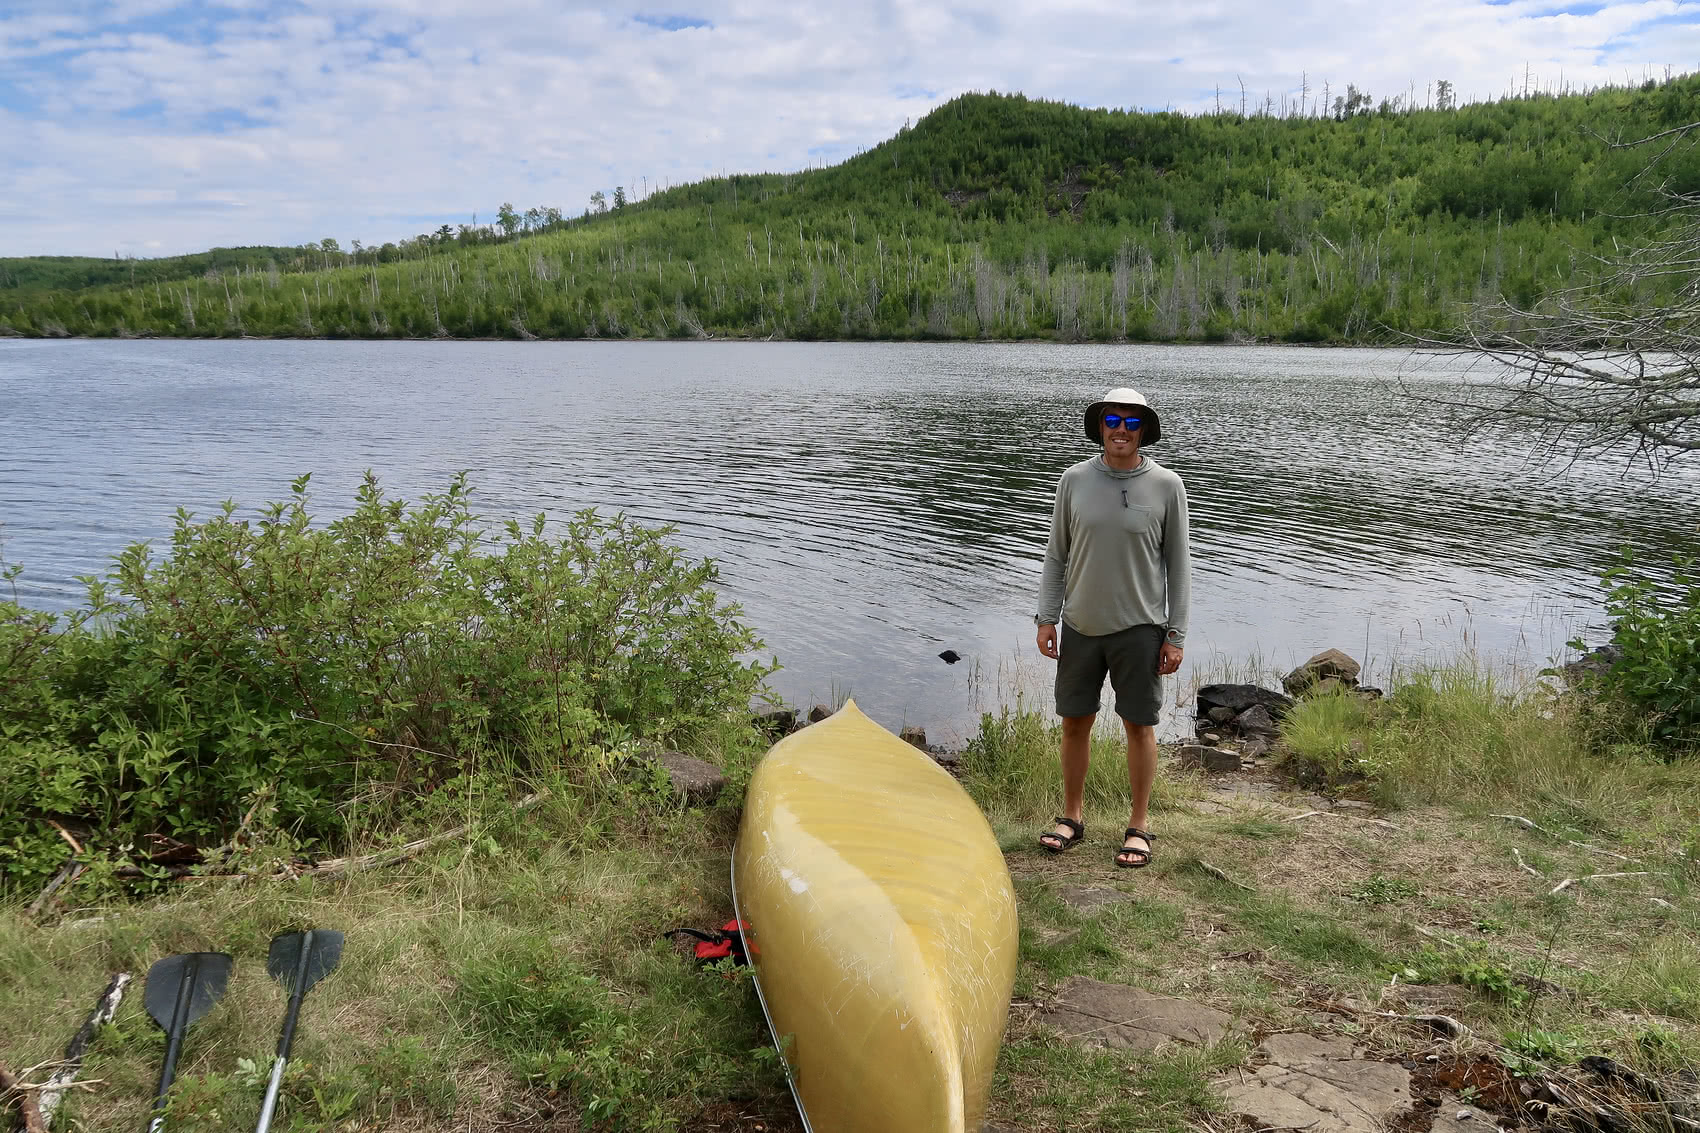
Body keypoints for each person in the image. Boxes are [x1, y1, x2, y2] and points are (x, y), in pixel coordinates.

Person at [1033, 387, 1191, 868]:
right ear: (1100, 427)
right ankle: (1072, 817)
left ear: (1144, 431)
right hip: (1080, 626)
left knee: (1139, 727)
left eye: (1132, 422)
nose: (1121, 430)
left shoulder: (1166, 485)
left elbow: (1179, 568)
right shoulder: (1074, 480)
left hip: (1140, 629)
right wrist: (1046, 617)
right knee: (1074, 723)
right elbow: (1056, 555)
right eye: (1113, 421)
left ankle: (1139, 826)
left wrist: (1175, 635)